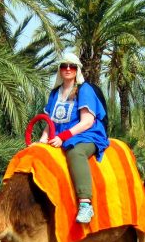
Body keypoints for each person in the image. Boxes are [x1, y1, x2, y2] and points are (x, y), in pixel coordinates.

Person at [39, 52, 108, 223]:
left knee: (75, 153)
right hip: (60, 136)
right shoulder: (55, 92)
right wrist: (41, 141)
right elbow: (50, 123)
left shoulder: (84, 90)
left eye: (72, 66)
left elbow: (87, 121)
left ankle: (85, 204)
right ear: (59, 70)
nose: (68, 69)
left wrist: (63, 137)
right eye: (64, 66)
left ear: (77, 70)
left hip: (86, 135)